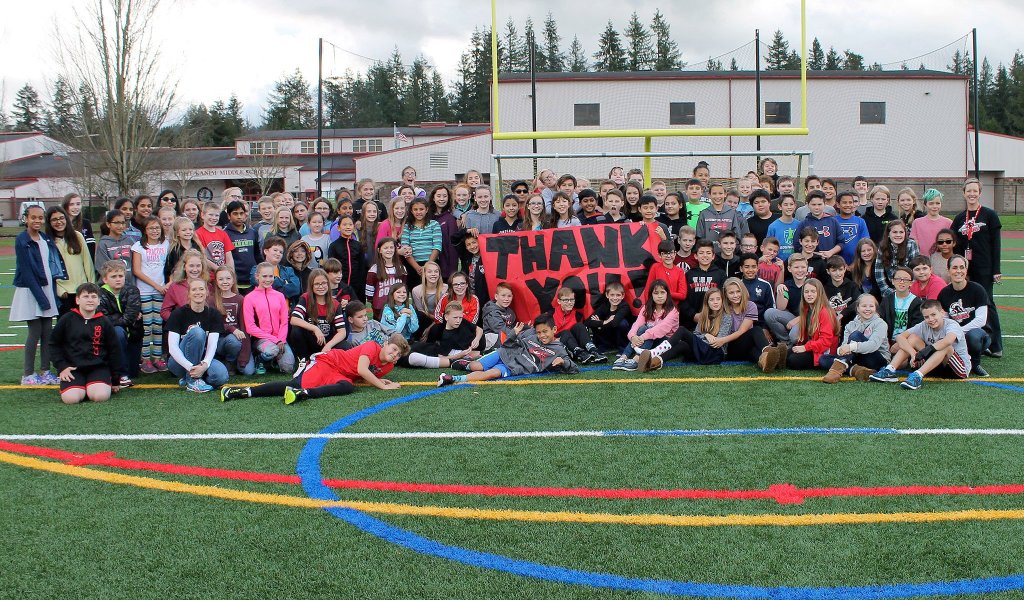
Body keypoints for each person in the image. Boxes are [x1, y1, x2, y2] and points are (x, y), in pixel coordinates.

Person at [223, 334, 409, 404]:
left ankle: (303, 394)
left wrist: (379, 380)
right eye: (393, 349)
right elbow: (362, 369)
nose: (394, 355)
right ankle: (244, 391)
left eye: (398, 354)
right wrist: (382, 386)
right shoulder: (371, 346)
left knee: (348, 387)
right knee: (292, 383)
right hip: (330, 362)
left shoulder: (389, 366)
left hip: (341, 374)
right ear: (385, 344)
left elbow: (362, 375)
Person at [437, 314, 578, 386]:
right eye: (539, 332)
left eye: (545, 332)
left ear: (554, 329)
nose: (541, 335)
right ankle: (465, 364)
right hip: (504, 353)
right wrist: (514, 334)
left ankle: (452, 379)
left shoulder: (558, 349)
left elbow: (573, 368)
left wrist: (563, 362)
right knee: (475, 366)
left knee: (491, 374)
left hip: (513, 367)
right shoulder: (531, 335)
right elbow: (509, 344)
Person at [12, 205, 67, 385]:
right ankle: (28, 374)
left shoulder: (45, 238)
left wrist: (50, 294)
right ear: (26, 218)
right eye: (33, 217)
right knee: (34, 332)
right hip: (31, 291)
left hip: (46, 288)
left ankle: (45, 371)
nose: (37, 221)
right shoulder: (22, 240)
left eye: (40, 218)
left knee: (47, 333)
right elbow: (27, 273)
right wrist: (42, 299)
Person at [50, 282, 125, 404]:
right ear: (77, 300)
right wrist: (62, 367)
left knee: (100, 396)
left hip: (98, 367)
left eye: (94, 297)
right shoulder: (67, 319)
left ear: (99, 301)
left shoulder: (104, 321)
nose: (90, 300)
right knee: (71, 399)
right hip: (73, 368)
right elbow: (53, 344)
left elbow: (114, 350)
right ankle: (80, 387)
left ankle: (92, 387)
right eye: (86, 296)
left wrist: (115, 379)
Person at [951, 178, 1002, 357]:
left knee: (987, 303)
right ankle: (976, 342)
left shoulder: (989, 215)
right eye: (968, 191)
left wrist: (996, 269)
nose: (971, 194)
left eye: (975, 191)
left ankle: (996, 345)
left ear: (980, 193)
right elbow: (955, 246)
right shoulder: (959, 218)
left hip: (984, 267)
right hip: (964, 269)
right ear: (964, 193)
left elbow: (996, 244)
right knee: (969, 305)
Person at [869, 299, 970, 390]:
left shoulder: (952, 324)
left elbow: (948, 341)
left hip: (957, 369)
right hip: (934, 366)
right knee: (912, 338)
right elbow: (900, 337)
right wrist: (913, 353)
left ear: (942, 313)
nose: (930, 319)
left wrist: (925, 351)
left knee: (945, 346)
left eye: (933, 315)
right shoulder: (924, 325)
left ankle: (918, 375)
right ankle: (889, 370)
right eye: (926, 317)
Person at [938, 254, 992, 378]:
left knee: (972, 336)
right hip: (955, 334)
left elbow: (981, 320)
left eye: (962, 267)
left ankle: (976, 363)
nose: (958, 271)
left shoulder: (978, 289)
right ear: (948, 270)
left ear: (966, 270)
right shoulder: (944, 293)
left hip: (978, 334)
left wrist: (958, 332)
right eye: (955, 267)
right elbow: (944, 318)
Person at [821, 293, 891, 383]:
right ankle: (857, 371)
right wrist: (841, 350)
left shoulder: (880, 324)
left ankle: (836, 371)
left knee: (856, 335)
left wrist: (850, 347)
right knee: (823, 359)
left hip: (878, 360)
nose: (868, 309)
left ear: (875, 308)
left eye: (871, 306)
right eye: (864, 306)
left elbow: (873, 345)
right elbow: (844, 345)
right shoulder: (850, 325)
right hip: (858, 358)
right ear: (857, 308)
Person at [612, 280, 679, 371]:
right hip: (649, 338)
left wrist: (642, 337)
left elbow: (661, 329)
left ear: (667, 294)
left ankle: (637, 358)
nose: (659, 296)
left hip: (667, 341)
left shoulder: (673, 310)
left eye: (662, 292)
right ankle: (624, 356)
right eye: (656, 293)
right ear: (651, 295)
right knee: (643, 328)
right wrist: (632, 337)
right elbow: (637, 324)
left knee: (650, 330)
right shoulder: (647, 307)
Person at [288, 268, 349, 368]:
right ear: (311, 286)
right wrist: (315, 328)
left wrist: (328, 345)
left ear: (328, 284)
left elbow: (342, 332)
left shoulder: (335, 304)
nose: (321, 287)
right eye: (317, 284)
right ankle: (303, 361)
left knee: (345, 345)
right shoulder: (305, 298)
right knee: (296, 330)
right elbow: (294, 319)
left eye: (324, 283)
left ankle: (333, 363)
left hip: (326, 343)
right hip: (310, 341)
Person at [130, 216, 169, 373]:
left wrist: (166, 285)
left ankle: (158, 358)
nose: (154, 231)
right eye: (151, 228)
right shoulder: (138, 247)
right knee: (147, 326)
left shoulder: (166, 244)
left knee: (158, 325)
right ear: (145, 230)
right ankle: (145, 359)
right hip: (145, 291)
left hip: (162, 291)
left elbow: (172, 266)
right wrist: (156, 286)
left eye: (157, 228)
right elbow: (137, 270)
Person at [243, 261, 296, 376]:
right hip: (261, 339)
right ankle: (260, 360)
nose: (268, 279)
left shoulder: (279, 296)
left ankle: (273, 361)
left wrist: (281, 339)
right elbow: (250, 327)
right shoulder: (249, 298)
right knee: (272, 350)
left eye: (271, 276)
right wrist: (274, 339)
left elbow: (284, 321)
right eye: (264, 276)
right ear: (257, 277)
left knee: (288, 368)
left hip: (280, 339)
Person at [97, 259, 142, 387]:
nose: (118, 279)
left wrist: (116, 318)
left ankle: (126, 370)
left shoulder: (132, 290)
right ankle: (120, 374)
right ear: (105, 279)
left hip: (134, 334)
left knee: (133, 372)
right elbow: (104, 319)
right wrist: (122, 319)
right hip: (112, 336)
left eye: (120, 276)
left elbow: (131, 316)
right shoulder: (99, 293)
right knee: (118, 332)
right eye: (113, 276)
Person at [781, 278, 840, 370]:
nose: (809, 295)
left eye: (813, 291)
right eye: (806, 292)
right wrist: (801, 346)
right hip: (811, 347)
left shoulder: (825, 311)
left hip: (823, 352)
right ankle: (766, 359)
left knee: (793, 361)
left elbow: (826, 342)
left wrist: (805, 347)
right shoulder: (806, 309)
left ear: (819, 293)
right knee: (784, 355)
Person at [46, 206, 94, 317]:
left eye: (61, 218)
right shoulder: (47, 241)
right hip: (64, 293)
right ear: (49, 222)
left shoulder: (77, 236)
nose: (59, 222)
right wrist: (59, 289)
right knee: (66, 326)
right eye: (54, 219)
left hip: (82, 290)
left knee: (85, 324)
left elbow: (87, 263)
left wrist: (91, 286)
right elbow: (49, 269)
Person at [405, 301, 483, 368]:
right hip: (469, 351)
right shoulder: (447, 336)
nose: (458, 320)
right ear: (446, 317)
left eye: (460, 317)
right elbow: (443, 357)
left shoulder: (462, 321)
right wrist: (461, 355)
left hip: (480, 343)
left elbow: (479, 329)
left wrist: (477, 339)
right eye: (455, 318)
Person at [211, 265, 254, 376]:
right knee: (232, 340)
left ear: (233, 280)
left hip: (238, 342)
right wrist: (231, 329)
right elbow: (212, 325)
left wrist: (244, 357)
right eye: (221, 279)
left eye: (228, 278)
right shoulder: (211, 300)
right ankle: (228, 362)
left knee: (248, 371)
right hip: (219, 341)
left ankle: (235, 360)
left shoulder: (240, 299)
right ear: (216, 281)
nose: (225, 282)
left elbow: (244, 328)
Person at [551, 286, 606, 364]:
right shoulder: (550, 315)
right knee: (565, 332)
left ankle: (594, 351)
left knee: (579, 326)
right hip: (559, 345)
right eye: (566, 300)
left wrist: (600, 322)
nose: (569, 302)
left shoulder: (578, 315)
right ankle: (580, 354)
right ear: (559, 301)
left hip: (574, 343)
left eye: (572, 300)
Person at [764, 254, 810, 344]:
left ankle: (795, 342)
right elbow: (781, 308)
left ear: (807, 268)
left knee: (794, 336)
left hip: (808, 318)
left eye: (803, 267)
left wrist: (797, 320)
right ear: (789, 269)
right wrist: (781, 290)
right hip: (792, 317)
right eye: (796, 267)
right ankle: (785, 341)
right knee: (769, 313)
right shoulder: (788, 285)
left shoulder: (812, 284)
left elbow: (816, 310)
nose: (800, 270)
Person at [682, 240, 726, 327]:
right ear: (696, 256)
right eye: (701, 253)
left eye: (708, 253)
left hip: (714, 320)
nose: (705, 255)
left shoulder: (721, 274)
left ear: (713, 256)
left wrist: (713, 315)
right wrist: (693, 315)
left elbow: (724, 297)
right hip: (692, 321)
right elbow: (683, 298)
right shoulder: (689, 274)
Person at [402, 197, 443, 290]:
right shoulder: (408, 227)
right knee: (416, 292)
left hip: (431, 263)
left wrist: (428, 265)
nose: (418, 212)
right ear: (411, 211)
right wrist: (417, 267)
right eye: (415, 209)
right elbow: (405, 249)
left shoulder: (434, 224)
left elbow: (437, 246)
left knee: (433, 291)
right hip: (413, 265)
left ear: (427, 210)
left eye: (421, 209)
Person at [880, 265, 923, 348]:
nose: (902, 282)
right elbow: (881, 321)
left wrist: (900, 344)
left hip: (907, 342)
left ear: (911, 283)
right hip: (887, 341)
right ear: (892, 281)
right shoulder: (887, 300)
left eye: (906, 279)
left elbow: (917, 328)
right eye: (898, 279)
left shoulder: (917, 302)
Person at [223, 200, 261, 293]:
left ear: (245, 214)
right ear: (229, 216)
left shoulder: (252, 232)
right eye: (235, 214)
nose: (239, 217)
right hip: (235, 281)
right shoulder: (224, 234)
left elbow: (257, 255)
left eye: (241, 213)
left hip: (252, 279)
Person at [875, 220, 920, 296]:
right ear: (888, 234)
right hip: (889, 287)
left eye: (901, 232)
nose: (898, 235)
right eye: (895, 232)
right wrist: (887, 291)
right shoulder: (883, 246)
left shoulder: (911, 244)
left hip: (908, 287)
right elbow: (878, 272)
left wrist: (907, 291)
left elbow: (915, 269)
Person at [365, 237, 407, 316]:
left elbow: (404, 286)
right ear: (379, 250)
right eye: (385, 248)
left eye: (391, 247)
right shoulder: (374, 269)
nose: (389, 250)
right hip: (380, 308)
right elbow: (369, 291)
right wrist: (372, 302)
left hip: (397, 307)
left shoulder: (402, 268)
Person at [584, 281, 632, 352]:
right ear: (607, 295)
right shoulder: (605, 305)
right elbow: (587, 322)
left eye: (618, 295)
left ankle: (622, 347)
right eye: (612, 295)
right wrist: (603, 322)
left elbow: (615, 323)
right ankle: (605, 346)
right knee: (596, 324)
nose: (615, 298)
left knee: (622, 323)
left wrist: (600, 324)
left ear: (623, 296)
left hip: (621, 336)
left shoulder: (624, 306)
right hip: (608, 334)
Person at [253, 236, 301, 304]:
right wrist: (284, 282)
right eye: (275, 250)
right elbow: (257, 283)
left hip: (287, 312)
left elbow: (296, 289)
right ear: (266, 251)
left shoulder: (288, 270)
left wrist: (273, 285)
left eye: (281, 252)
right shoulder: (256, 269)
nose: (278, 254)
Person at [910, 189, 953, 259]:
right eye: (931, 203)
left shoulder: (948, 223)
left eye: (937, 203)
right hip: (923, 262)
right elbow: (915, 245)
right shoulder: (917, 223)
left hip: (943, 262)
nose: (934, 206)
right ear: (925, 204)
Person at [95, 209, 135, 283]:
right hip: (112, 286)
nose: (120, 226)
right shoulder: (103, 244)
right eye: (116, 223)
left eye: (123, 223)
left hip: (130, 285)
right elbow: (103, 267)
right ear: (108, 224)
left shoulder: (129, 241)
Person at [429, 184, 460, 279]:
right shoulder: (427, 217)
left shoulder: (450, 218)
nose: (442, 199)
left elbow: (452, 246)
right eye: (439, 196)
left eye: (445, 196)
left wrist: (452, 270)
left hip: (445, 264)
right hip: (428, 261)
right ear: (433, 198)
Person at [644, 240, 688, 304]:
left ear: (675, 254)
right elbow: (648, 290)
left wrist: (665, 292)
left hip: (672, 308)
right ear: (659, 255)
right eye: (664, 253)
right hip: (656, 307)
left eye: (671, 253)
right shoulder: (655, 267)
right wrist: (648, 306)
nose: (668, 256)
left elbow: (683, 295)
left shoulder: (680, 271)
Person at [164, 216, 206, 282]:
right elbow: (170, 271)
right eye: (184, 230)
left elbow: (203, 263)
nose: (188, 232)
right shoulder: (174, 250)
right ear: (177, 233)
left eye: (190, 229)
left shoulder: (197, 246)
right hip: (179, 281)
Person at [195, 202, 235, 270]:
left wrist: (230, 272)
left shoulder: (223, 233)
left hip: (223, 274)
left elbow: (229, 257)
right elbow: (201, 257)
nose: (214, 218)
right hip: (208, 274)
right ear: (202, 215)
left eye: (216, 215)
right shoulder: (197, 234)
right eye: (210, 215)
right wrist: (218, 270)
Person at [822, 255, 859, 328]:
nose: (838, 274)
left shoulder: (852, 285)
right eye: (834, 270)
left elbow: (858, 302)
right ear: (828, 271)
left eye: (840, 269)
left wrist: (842, 315)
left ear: (845, 269)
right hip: (831, 323)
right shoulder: (824, 288)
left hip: (851, 323)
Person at [480, 282, 518, 352]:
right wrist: (517, 333)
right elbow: (500, 329)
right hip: (493, 342)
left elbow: (513, 326)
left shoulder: (510, 311)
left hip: (507, 337)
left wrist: (525, 327)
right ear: (496, 297)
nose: (506, 299)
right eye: (503, 296)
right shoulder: (492, 312)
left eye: (509, 296)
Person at [834, 191, 869, 266]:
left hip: (857, 264)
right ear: (838, 204)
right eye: (844, 202)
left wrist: (855, 263)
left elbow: (865, 243)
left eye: (850, 202)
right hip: (837, 264)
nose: (848, 205)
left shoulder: (860, 221)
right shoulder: (832, 221)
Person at [411, 261, 447, 331]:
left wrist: (432, 325)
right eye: (430, 272)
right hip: (426, 318)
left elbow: (446, 311)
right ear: (424, 274)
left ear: (439, 274)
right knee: (419, 315)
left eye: (436, 271)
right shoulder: (416, 290)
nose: (433, 274)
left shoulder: (446, 288)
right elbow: (421, 311)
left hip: (442, 319)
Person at [766, 193, 801, 263]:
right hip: (777, 262)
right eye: (785, 204)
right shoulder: (773, 226)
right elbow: (768, 246)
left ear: (795, 206)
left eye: (791, 204)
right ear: (780, 207)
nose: (789, 207)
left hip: (796, 263)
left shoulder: (799, 225)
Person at [62, 193, 96, 258]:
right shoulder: (61, 224)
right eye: (71, 204)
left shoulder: (86, 223)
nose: (75, 207)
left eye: (78, 204)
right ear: (65, 206)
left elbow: (91, 245)